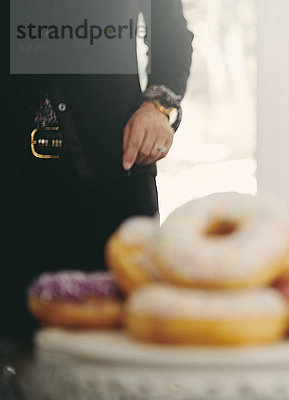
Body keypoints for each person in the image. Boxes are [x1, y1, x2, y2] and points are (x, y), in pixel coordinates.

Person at [3, 0, 193, 340]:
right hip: (12, 191)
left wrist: (157, 107)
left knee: (125, 347)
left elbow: (172, 36)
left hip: (114, 180)